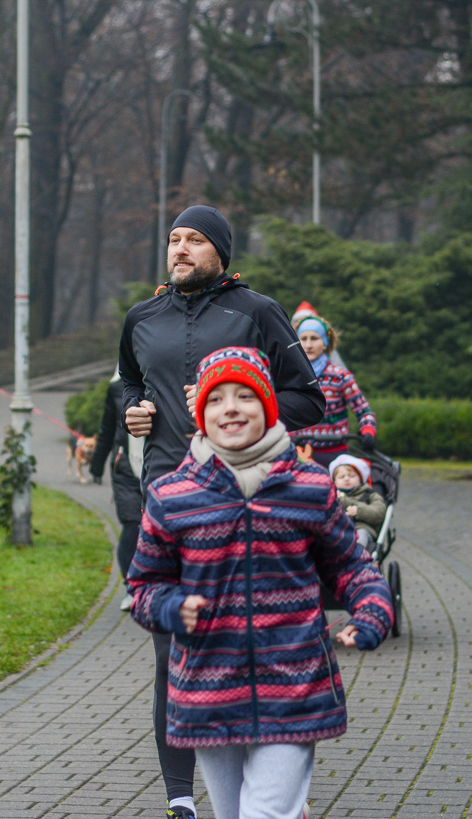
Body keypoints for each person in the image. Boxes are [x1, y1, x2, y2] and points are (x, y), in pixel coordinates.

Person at [119, 204, 326, 819]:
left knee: (252, 650)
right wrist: (134, 408)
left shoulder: (256, 312)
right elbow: (128, 379)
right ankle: (181, 797)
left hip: (247, 499)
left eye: (194, 239)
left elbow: (308, 398)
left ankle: (271, 788)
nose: (180, 249)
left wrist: (239, 404)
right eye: (173, 239)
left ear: (220, 252)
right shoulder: (142, 317)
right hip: (170, 499)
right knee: (171, 652)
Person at [128, 347, 393, 819]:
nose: (230, 408)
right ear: (201, 414)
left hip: (294, 685)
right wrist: (170, 607)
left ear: (268, 405)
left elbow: (351, 564)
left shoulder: (309, 487)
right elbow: (144, 586)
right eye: (216, 399)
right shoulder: (172, 496)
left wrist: (372, 609)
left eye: (245, 396)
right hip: (209, 689)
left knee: (264, 814)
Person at [290, 316, 377, 468]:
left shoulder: (340, 376)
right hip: (299, 454)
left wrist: (368, 431)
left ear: (325, 342)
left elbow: (364, 412)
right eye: (303, 339)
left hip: (336, 457)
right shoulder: (290, 376)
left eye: (314, 338)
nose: (308, 345)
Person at [89, 370, 143, 610]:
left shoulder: (161, 379)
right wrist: (97, 465)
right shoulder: (116, 388)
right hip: (124, 468)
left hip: (158, 464)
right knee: (132, 524)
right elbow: (107, 428)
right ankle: (131, 587)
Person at [328, 453, 386, 554]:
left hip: (361, 528)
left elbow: (379, 513)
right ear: (335, 482)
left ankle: (357, 554)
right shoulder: (330, 496)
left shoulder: (370, 495)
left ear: (360, 479)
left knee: (361, 534)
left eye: (351, 476)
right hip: (337, 529)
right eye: (341, 477)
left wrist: (359, 510)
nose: (346, 478)